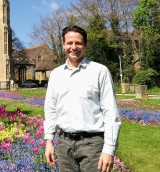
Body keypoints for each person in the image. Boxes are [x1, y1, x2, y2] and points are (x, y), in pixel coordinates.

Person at [44, 25, 121, 172]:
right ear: (63, 45)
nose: (74, 47)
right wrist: (49, 141)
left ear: (85, 45)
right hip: (64, 144)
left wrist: (109, 150)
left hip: (93, 145)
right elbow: (51, 110)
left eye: (78, 43)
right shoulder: (56, 74)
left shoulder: (99, 71)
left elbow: (111, 113)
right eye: (69, 43)